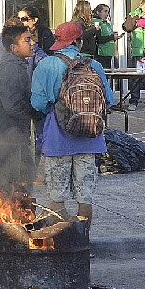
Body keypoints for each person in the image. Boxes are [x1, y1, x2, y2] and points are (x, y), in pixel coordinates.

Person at [30, 22, 115, 233]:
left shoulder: (46, 65)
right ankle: (82, 241)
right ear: (79, 41)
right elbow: (109, 101)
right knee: (85, 198)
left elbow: (37, 104)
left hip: (57, 140)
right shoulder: (93, 66)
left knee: (57, 198)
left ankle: (62, 241)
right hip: (90, 140)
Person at [0, 25, 37, 202]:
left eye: (32, 38)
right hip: (4, 135)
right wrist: (37, 113)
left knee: (24, 177)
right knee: (11, 184)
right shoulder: (10, 69)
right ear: (14, 48)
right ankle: (10, 223)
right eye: (27, 40)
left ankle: (17, 218)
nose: (32, 43)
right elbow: (13, 106)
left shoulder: (17, 65)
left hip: (12, 134)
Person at [91, 4, 120, 70]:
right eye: (105, 11)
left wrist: (114, 37)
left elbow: (108, 37)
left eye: (108, 12)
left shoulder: (106, 23)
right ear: (98, 12)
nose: (107, 14)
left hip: (108, 53)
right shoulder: (97, 23)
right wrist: (112, 37)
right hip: (101, 54)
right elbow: (99, 39)